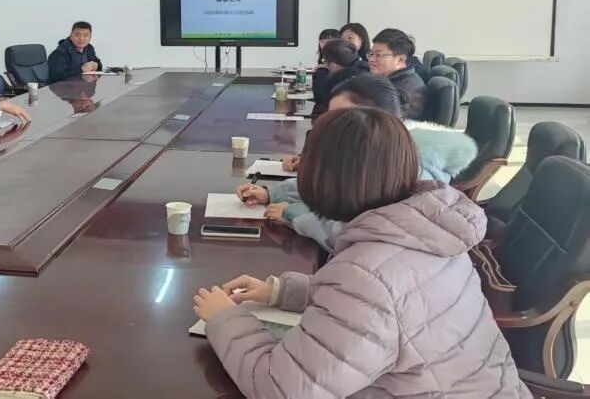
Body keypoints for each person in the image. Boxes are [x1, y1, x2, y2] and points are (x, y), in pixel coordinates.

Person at [196, 107, 528, 398]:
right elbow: (393, 305)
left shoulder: (367, 274)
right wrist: (282, 291)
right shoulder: (427, 228)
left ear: (325, 179)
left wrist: (225, 319)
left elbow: (282, 388)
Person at [238, 74, 477, 251]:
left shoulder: (411, 169)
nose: (333, 126)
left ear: (373, 119)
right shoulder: (374, 148)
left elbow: (347, 233)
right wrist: (273, 194)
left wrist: (292, 213)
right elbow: (336, 186)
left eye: (343, 118)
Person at [369, 27, 427, 119]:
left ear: (400, 60)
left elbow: (383, 122)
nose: (371, 59)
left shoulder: (404, 92)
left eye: (378, 55)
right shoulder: (391, 81)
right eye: (371, 54)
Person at [309, 38, 367, 115]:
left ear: (334, 65)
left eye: (325, 61)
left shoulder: (342, 76)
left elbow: (321, 100)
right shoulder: (365, 68)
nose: (324, 64)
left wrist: (321, 72)